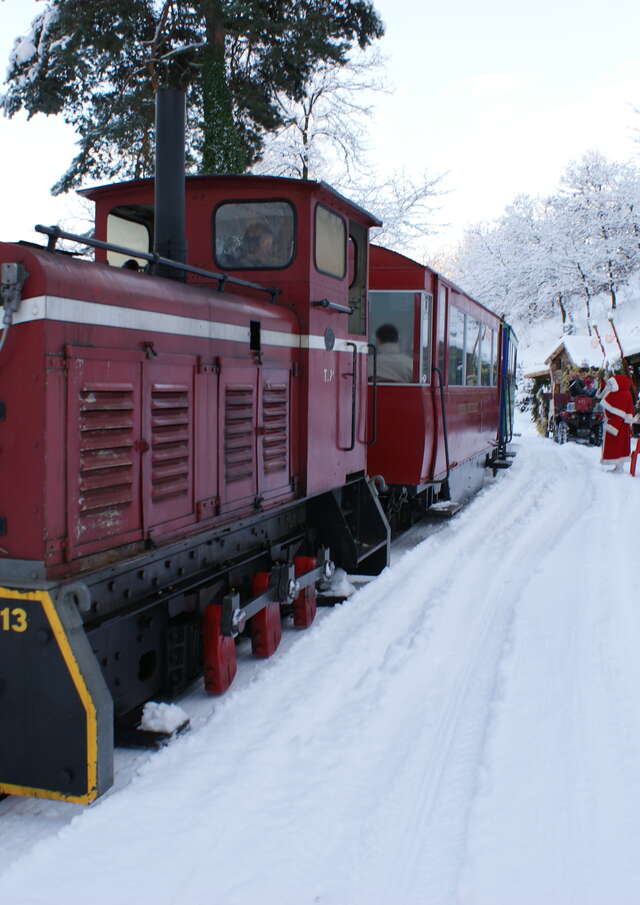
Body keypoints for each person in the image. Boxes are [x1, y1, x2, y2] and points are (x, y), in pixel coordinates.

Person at [599, 370, 636, 472]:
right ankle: (618, 467)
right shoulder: (625, 393)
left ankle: (619, 468)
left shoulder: (620, 394)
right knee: (621, 445)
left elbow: (612, 407)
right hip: (622, 425)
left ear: (617, 382)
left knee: (617, 445)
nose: (610, 386)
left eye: (612, 383)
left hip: (616, 424)